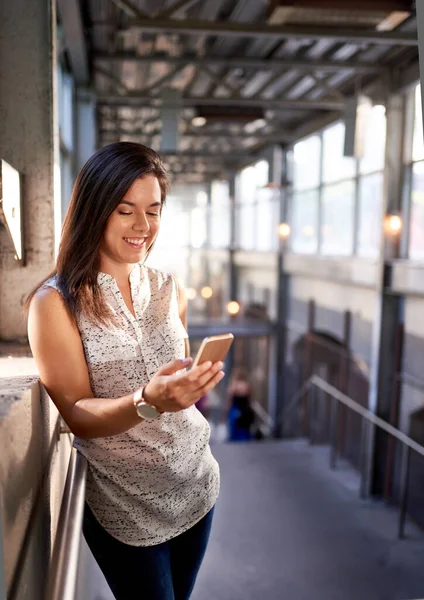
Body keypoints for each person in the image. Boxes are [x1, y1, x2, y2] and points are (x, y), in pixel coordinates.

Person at [25, 142, 224, 600]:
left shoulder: (169, 287)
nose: (143, 226)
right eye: (125, 210)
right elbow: (75, 413)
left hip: (196, 485)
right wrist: (148, 403)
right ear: (95, 211)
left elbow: (177, 375)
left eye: (153, 211)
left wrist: (187, 387)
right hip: (124, 509)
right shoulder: (55, 304)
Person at [225, 367, 255, 442]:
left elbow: (230, 398)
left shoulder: (234, 385)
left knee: (234, 428)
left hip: (235, 409)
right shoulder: (247, 385)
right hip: (245, 410)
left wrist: (227, 409)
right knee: (244, 429)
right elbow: (249, 399)